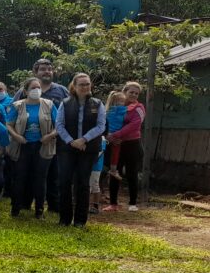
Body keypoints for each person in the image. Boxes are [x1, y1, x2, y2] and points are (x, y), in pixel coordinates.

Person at [55, 73, 106, 227]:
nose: (85, 87)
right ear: (74, 86)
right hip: (67, 148)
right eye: (81, 84)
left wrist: (84, 139)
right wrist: (72, 141)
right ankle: (64, 219)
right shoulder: (65, 103)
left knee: (83, 183)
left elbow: (101, 126)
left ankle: (80, 220)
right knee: (64, 182)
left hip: (88, 148)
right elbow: (59, 124)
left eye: (87, 84)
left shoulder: (97, 104)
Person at [6, 77, 58, 219]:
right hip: (22, 146)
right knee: (19, 177)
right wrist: (16, 136)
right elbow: (8, 124)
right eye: (33, 88)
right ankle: (15, 209)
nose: (36, 90)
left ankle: (39, 210)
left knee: (40, 178)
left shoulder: (49, 104)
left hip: (43, 146)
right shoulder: (17, 105)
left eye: (38, 88)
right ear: (26, 91)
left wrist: (50, 136)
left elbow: (59, 125)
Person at [105, 81, 146, 212]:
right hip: (117, 145)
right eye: (131, 92)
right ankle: (113, 203)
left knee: (132, 173)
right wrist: (108, 136)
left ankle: (133, 203)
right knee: (114, 172)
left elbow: (134, 125)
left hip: (132, 145)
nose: (134, 95)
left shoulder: (139, 108)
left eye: (136, 93)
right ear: (125, 92)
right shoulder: (116, 106)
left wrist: (115, 135)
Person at [103, 90, 128, 179]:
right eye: (121, 101)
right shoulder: (124, 110)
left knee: (103, 153)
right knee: (115, 153)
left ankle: (102, 171)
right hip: (117, 135)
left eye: (123, 101)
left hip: (107, 134)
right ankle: (113, 170)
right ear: (115, 101)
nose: (123, 103)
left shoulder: (107, 111)